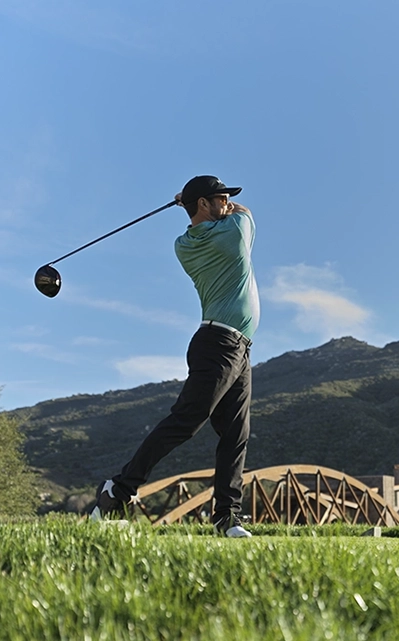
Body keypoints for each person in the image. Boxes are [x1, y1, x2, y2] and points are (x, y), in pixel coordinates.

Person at [88, 175, 258, 538]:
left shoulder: (183, 244)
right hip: (219, 344)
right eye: (221, 198)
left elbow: (215, 215)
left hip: (236, 347)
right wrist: (191, 200)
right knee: (186, 421)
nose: (228, 203)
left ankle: (227, 517)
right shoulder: (233, 233)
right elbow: (245, 212)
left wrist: (189, 202)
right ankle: (117, 490)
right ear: (203, 204)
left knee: (236, 434)